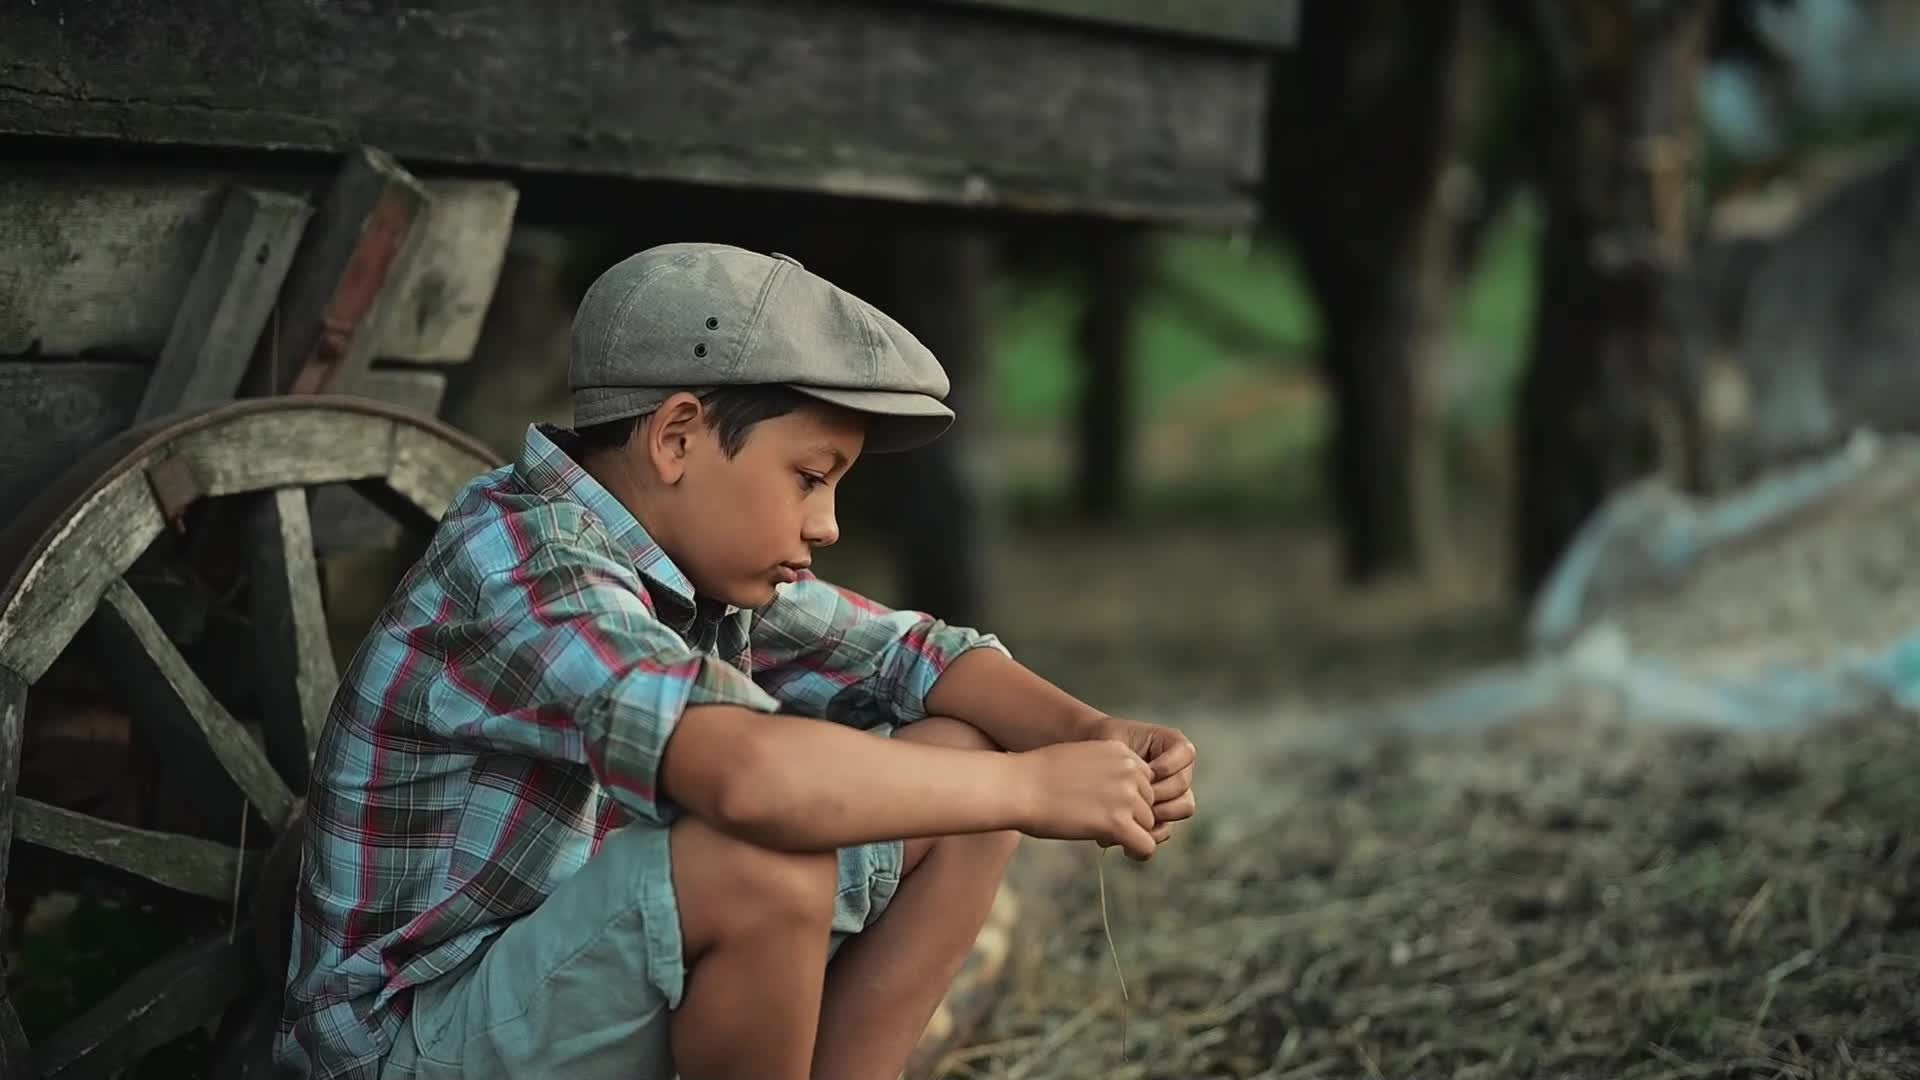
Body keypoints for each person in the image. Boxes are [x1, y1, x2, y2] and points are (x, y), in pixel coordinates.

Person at [276, 242, 1199, 1080]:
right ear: (677, 437)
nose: (828, 524)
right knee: (762, 866)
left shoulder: (690, 568)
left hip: (560, 997)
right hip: (411, 1046)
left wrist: (1094, 737)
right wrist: (1039, 790)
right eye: (809, 477)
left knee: (969, 757)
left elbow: (920, 655)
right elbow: (753, 779)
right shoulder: (526, 564)